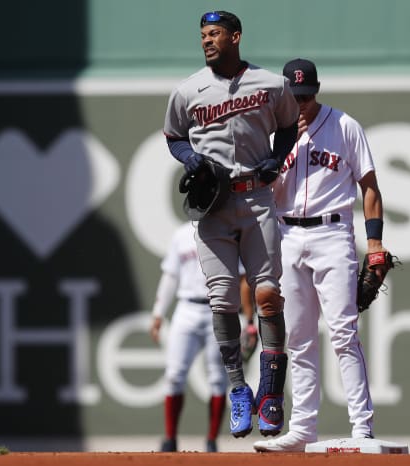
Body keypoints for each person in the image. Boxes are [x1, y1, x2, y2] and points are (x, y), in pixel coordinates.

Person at [163, 11, 300, 439]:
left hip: (257, 197)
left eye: (215, 33)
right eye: (203, 34)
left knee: (267, 294)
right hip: (213, 204)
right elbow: (173, 135)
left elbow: (288, 127)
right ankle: (239, 389)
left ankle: (272, 393)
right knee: (221, 300)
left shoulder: (271, 84)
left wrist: (277, 161)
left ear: (235, 37)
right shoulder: (188, 90)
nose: (207, 40)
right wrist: (190, 158)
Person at [253, 58, 386, 452]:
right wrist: (278, 155)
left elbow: (370, 186)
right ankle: (303, 429)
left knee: (344, 332)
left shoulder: (345, 126)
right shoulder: (273, 133)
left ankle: (362, 428)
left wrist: (375, 243)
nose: (302, 103)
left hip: (332, 233)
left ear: (317, 90)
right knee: (299, 337)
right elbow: (265, 193)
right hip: (287, 233)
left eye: (307, 95)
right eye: (295, 97)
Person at [150, 221, 255, 452]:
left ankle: (211, 440)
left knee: (218, 379)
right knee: (174, 375)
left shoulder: (229, 231)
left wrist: (248, 320)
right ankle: (170, 439)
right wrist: (158, 313)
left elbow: (243, 280)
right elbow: (170, 276)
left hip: (218, 310)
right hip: (186, 308)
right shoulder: (181, 234)